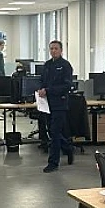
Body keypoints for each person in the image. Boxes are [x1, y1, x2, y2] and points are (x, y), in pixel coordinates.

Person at [38, 40, 74, 173]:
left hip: (60, 103)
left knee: (54, 132)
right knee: (52, 132)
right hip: (47, 103)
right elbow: (42, 81)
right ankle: (68, 148)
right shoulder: (47, 65)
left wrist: (48, 90)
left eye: (56, 48)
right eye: (51, 48)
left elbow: (67, 86)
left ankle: (53, 162)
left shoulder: (65, 66)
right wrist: (41, 89)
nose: (53, 51)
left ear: (61, 50)